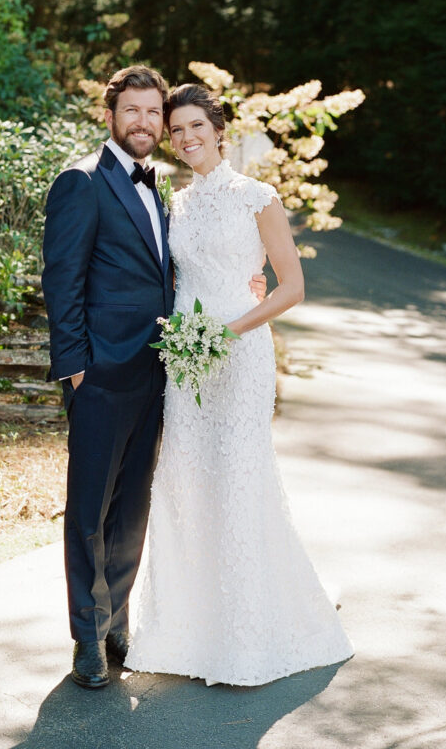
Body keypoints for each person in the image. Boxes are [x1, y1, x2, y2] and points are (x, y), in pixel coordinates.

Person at [41, 66, 266, 690]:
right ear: (109, 115)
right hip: (101, 376)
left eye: (152, 113)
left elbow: (176, 271)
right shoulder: (81, 183)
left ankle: (116, 619)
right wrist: (77, 368)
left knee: (132, 506)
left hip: (159, 373)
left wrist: (247, 281)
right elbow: (61, 282)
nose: (143, 123)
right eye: (131, 111)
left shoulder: (162, 187)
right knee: (89, 507)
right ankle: (86, 637)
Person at [125, 83, 354, 686]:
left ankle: (251, 634)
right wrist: (184, 335)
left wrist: (230, 328)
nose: (185, 137)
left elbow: (291, 287)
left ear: (219, 130)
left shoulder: (258, 196)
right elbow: (175, 278)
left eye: (195, 125)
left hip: (241, 350)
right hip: (187, 358)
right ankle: (189, 630)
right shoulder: (175, 202)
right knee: (186, 481)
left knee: (239, 477)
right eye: (176, 130)